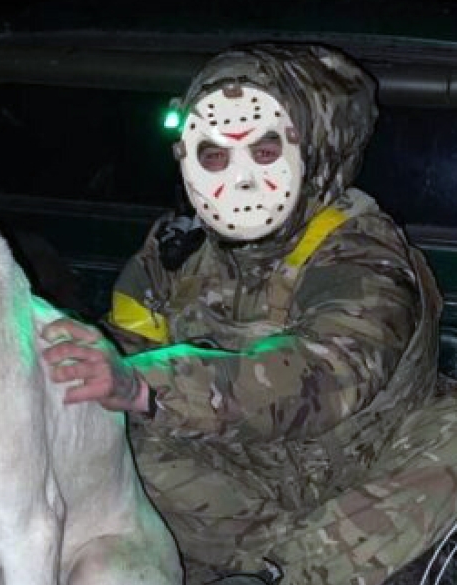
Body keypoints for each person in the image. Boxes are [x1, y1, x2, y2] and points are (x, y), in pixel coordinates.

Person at [39, 43, 457, 584]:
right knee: (114, 442)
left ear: (316, 151)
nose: (239, 179)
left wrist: (150, 387)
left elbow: (326, 375)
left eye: (265, 150)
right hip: (243, 466)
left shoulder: (359, 249)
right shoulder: (178, 247)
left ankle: (287, 572)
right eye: (214, 155)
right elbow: (126, 342)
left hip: (363, 460)